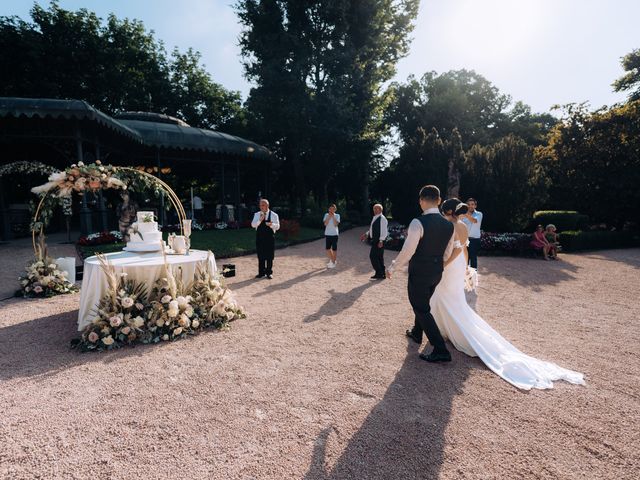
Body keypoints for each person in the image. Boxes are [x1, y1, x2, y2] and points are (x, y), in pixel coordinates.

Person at [427, 199, 584, 390]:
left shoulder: (448, 226)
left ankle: (445, 331)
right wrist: (466, 268)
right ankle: (444, 330)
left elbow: (455, 249)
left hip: (450, 264)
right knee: (450, 298)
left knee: (442, 296)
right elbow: (465, 250)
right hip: (458, 264)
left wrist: (444, 265)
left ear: (447, 211)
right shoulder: (462, 226)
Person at [386, 185, 455, 362]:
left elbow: (408, 251)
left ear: (421, 201)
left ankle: (440, 349)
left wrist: (393, 266)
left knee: (421, 307)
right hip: (436, 272)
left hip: (420, 272)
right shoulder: (449, 225)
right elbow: (447, 253)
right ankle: (417, 333)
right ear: (439, 201)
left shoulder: (418, 222)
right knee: (423, 303)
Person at [251, 199, 280, 279]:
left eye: (263, 205)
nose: (261, 207)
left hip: (269, 238)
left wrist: (271, 224)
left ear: (267, 206)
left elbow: (278, 226)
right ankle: (261, 273)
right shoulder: (257, 214)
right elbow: (253, 225)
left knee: (269, 256)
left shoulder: (274, 215)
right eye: (260, 205)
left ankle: (269, 273)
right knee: (260, 255)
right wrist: (260, 220)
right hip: (260, 238)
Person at [360, 203, 388, 280]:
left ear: (381, 210)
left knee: (373, 256)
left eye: (376, 209)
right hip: (376, 240)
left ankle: (379, 273)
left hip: (379, 240)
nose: (375, 210)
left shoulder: (382, 219)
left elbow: (384, 231)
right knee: (379, 257)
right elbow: (372, 229)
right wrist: (366, 234)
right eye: (374, 209)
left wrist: (381, 240)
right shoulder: (376, 217)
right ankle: (382, 273)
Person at [461, 198, 483, 269]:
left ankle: (473, 278)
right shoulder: (462, 216)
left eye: (472, 204)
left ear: (475, 206)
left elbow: (474, 221)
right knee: (464, 260)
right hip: (464, 240)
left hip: (474, 240)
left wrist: (465, 214)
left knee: (473, 259)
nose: (470, 206)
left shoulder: (479, 214)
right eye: (468, 204)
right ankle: (464, 278)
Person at [323, 204, 340, 269]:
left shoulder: (337, 215)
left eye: (333, 209)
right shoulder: (326, 215)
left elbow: (336, 224)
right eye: (330, 209)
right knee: (327, 249)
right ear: (329, 209)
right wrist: (329, 217)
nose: (332, 210)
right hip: (327, 234)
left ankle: (333, 263)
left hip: (334, 234)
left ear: (335, 209)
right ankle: (333, 260)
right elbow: (325, 224)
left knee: (334, 249)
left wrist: (333, 217)